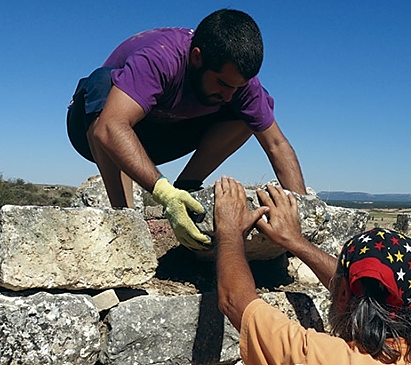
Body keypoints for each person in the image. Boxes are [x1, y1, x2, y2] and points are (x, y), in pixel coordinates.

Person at [66, 9, 306, 250]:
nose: (228, 94)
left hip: (164, 135)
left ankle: (186, 188)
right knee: (102, 84)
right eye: (222, 83)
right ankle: (128, 227)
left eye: (237, 87)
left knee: (253, 109)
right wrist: (164, 194)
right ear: (197, 57)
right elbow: (110, 126)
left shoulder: (240, 86)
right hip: (97, 131)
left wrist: (303, 219)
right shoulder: (160, 57)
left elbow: (277, 144)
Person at [213, 176, 411, 365]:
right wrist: (296, 242)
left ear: (345, 294)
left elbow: (234, 301)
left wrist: (230, 233)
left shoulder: (324, 357)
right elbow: (358, 286)